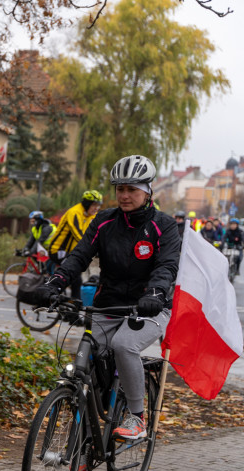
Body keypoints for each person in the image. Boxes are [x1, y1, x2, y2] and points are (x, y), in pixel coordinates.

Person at [35, 154, 180, 445]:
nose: (124, 195)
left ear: (148, 191)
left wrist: (155, 293)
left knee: (123, 345)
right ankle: (86, 434)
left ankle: (136, 417)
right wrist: (55, 282)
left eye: (132, 189)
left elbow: (166, 266)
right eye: (120, 189)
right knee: (87, 356)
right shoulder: (104, 221)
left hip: (149, 306)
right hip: (108, 304)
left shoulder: (163, 225)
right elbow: (79, 256)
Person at [48, 190, 104, 300]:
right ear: (87, 204)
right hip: (58, 250)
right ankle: (65, 305)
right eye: (94, 205)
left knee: (78, 279)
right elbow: (79, 235)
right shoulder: (74, 212)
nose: (96, 208)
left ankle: (69, 306)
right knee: (75, 278)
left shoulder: (89, 216)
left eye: (98, 206)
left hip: (71, 251)